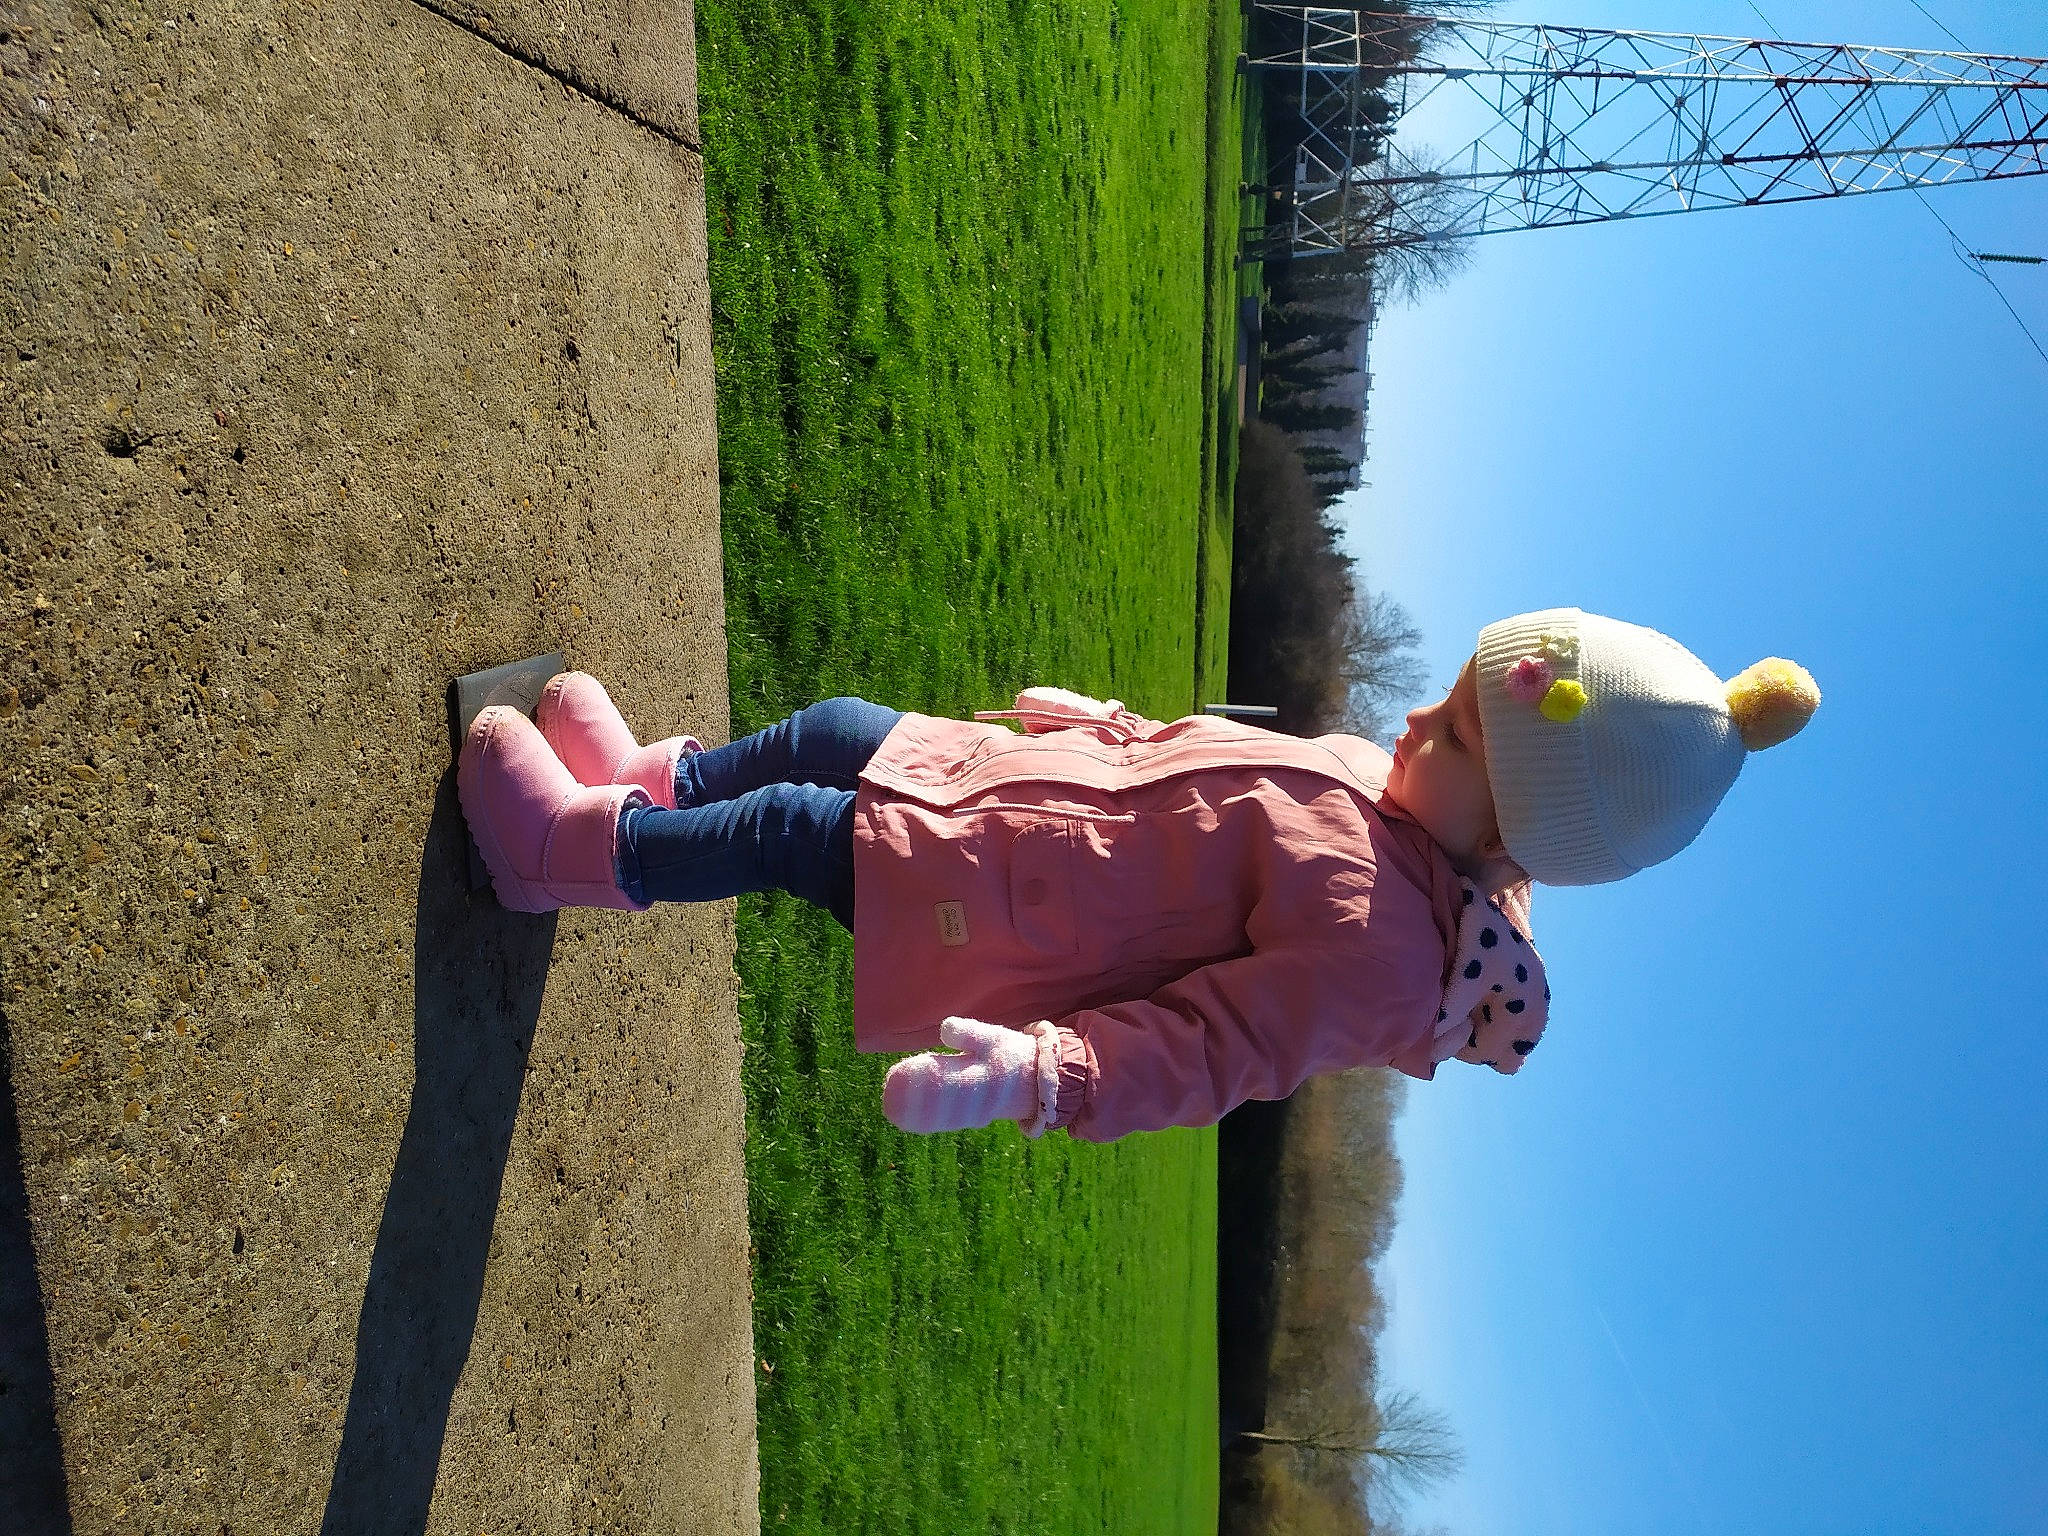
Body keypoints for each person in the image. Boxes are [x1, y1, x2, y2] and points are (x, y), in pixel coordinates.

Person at [455, 608, 1818, 1142]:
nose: (1412, 723)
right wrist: (1103, 720)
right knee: (830, 729)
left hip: (1000, 908)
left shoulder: (1390, 961)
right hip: (1003, 798)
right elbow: (1201, 756)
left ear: (1514, 837)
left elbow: (1212, 1048)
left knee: (793, 831)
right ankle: (646, 785)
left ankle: (567, 854)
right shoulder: (1378, 774)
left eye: (1456, 732)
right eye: (1444, 699)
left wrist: (1047, 1074)